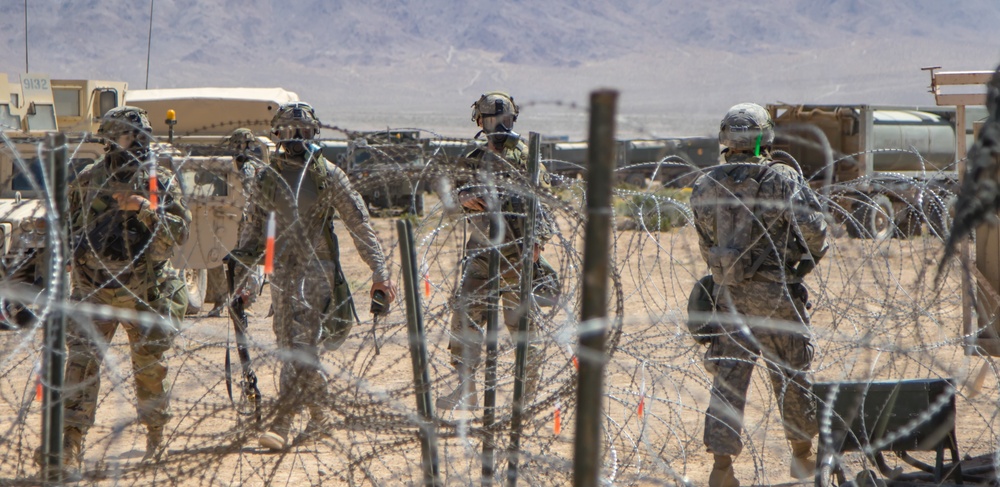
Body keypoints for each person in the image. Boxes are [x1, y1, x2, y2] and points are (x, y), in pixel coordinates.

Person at [231, 102, 397, 451]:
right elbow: (252, 235)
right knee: (290, 345)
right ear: (276, 134)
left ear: (313, 134)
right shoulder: (265, 178)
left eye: (303, 132)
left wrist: (379, 273)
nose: (296, 139)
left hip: (317, 270)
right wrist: (246, 285)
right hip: (281, 271)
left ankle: (283, 420)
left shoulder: (328, 175)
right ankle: (320, 416)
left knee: (299, 345)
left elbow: (359, 224)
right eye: (289, 132)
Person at [687, 103, 828, 487]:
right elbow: (815, 231)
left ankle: (721, 470)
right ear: (764, 136)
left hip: (730, 297)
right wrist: (804, 262)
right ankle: (802, 458)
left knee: (728, 383)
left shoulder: (705, 184)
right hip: (778, 296)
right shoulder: (781, 178)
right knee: (791, 375)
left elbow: (706, 245)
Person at [47, 106, 191, 476]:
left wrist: (144, 207)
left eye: (135, 135)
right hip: (94, 291)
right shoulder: (89, 180)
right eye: (123, 136)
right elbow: (66, 229)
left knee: (149, 369)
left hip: (143, 291)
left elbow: (176, 237)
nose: (131, 143)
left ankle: (155, 437)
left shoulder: (158, 181)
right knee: (80, 368)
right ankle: (70, 445)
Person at [436, 91, 559, 411]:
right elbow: (449, 197)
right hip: (480, 252)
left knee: (524, 330)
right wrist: (461, 199)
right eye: (490, 119)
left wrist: (537, 243)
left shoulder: (528, 158)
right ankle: (467, 390)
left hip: (518, 255)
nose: (496, 125)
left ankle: (526, 398)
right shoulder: (474, 159)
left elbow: (545, 205)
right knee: (464, 320)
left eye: (502, 119)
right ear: (479, 121)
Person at [204, 128, 266, 317]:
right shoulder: (224, 167)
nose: (240, 148)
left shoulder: (256, 168)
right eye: (237, 144)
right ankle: (221, 300)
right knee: (216, 259)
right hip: (225, 219)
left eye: (244, 144)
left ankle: (246, 301)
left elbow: (258, 195)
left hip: (247, 222)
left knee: (246, 262)